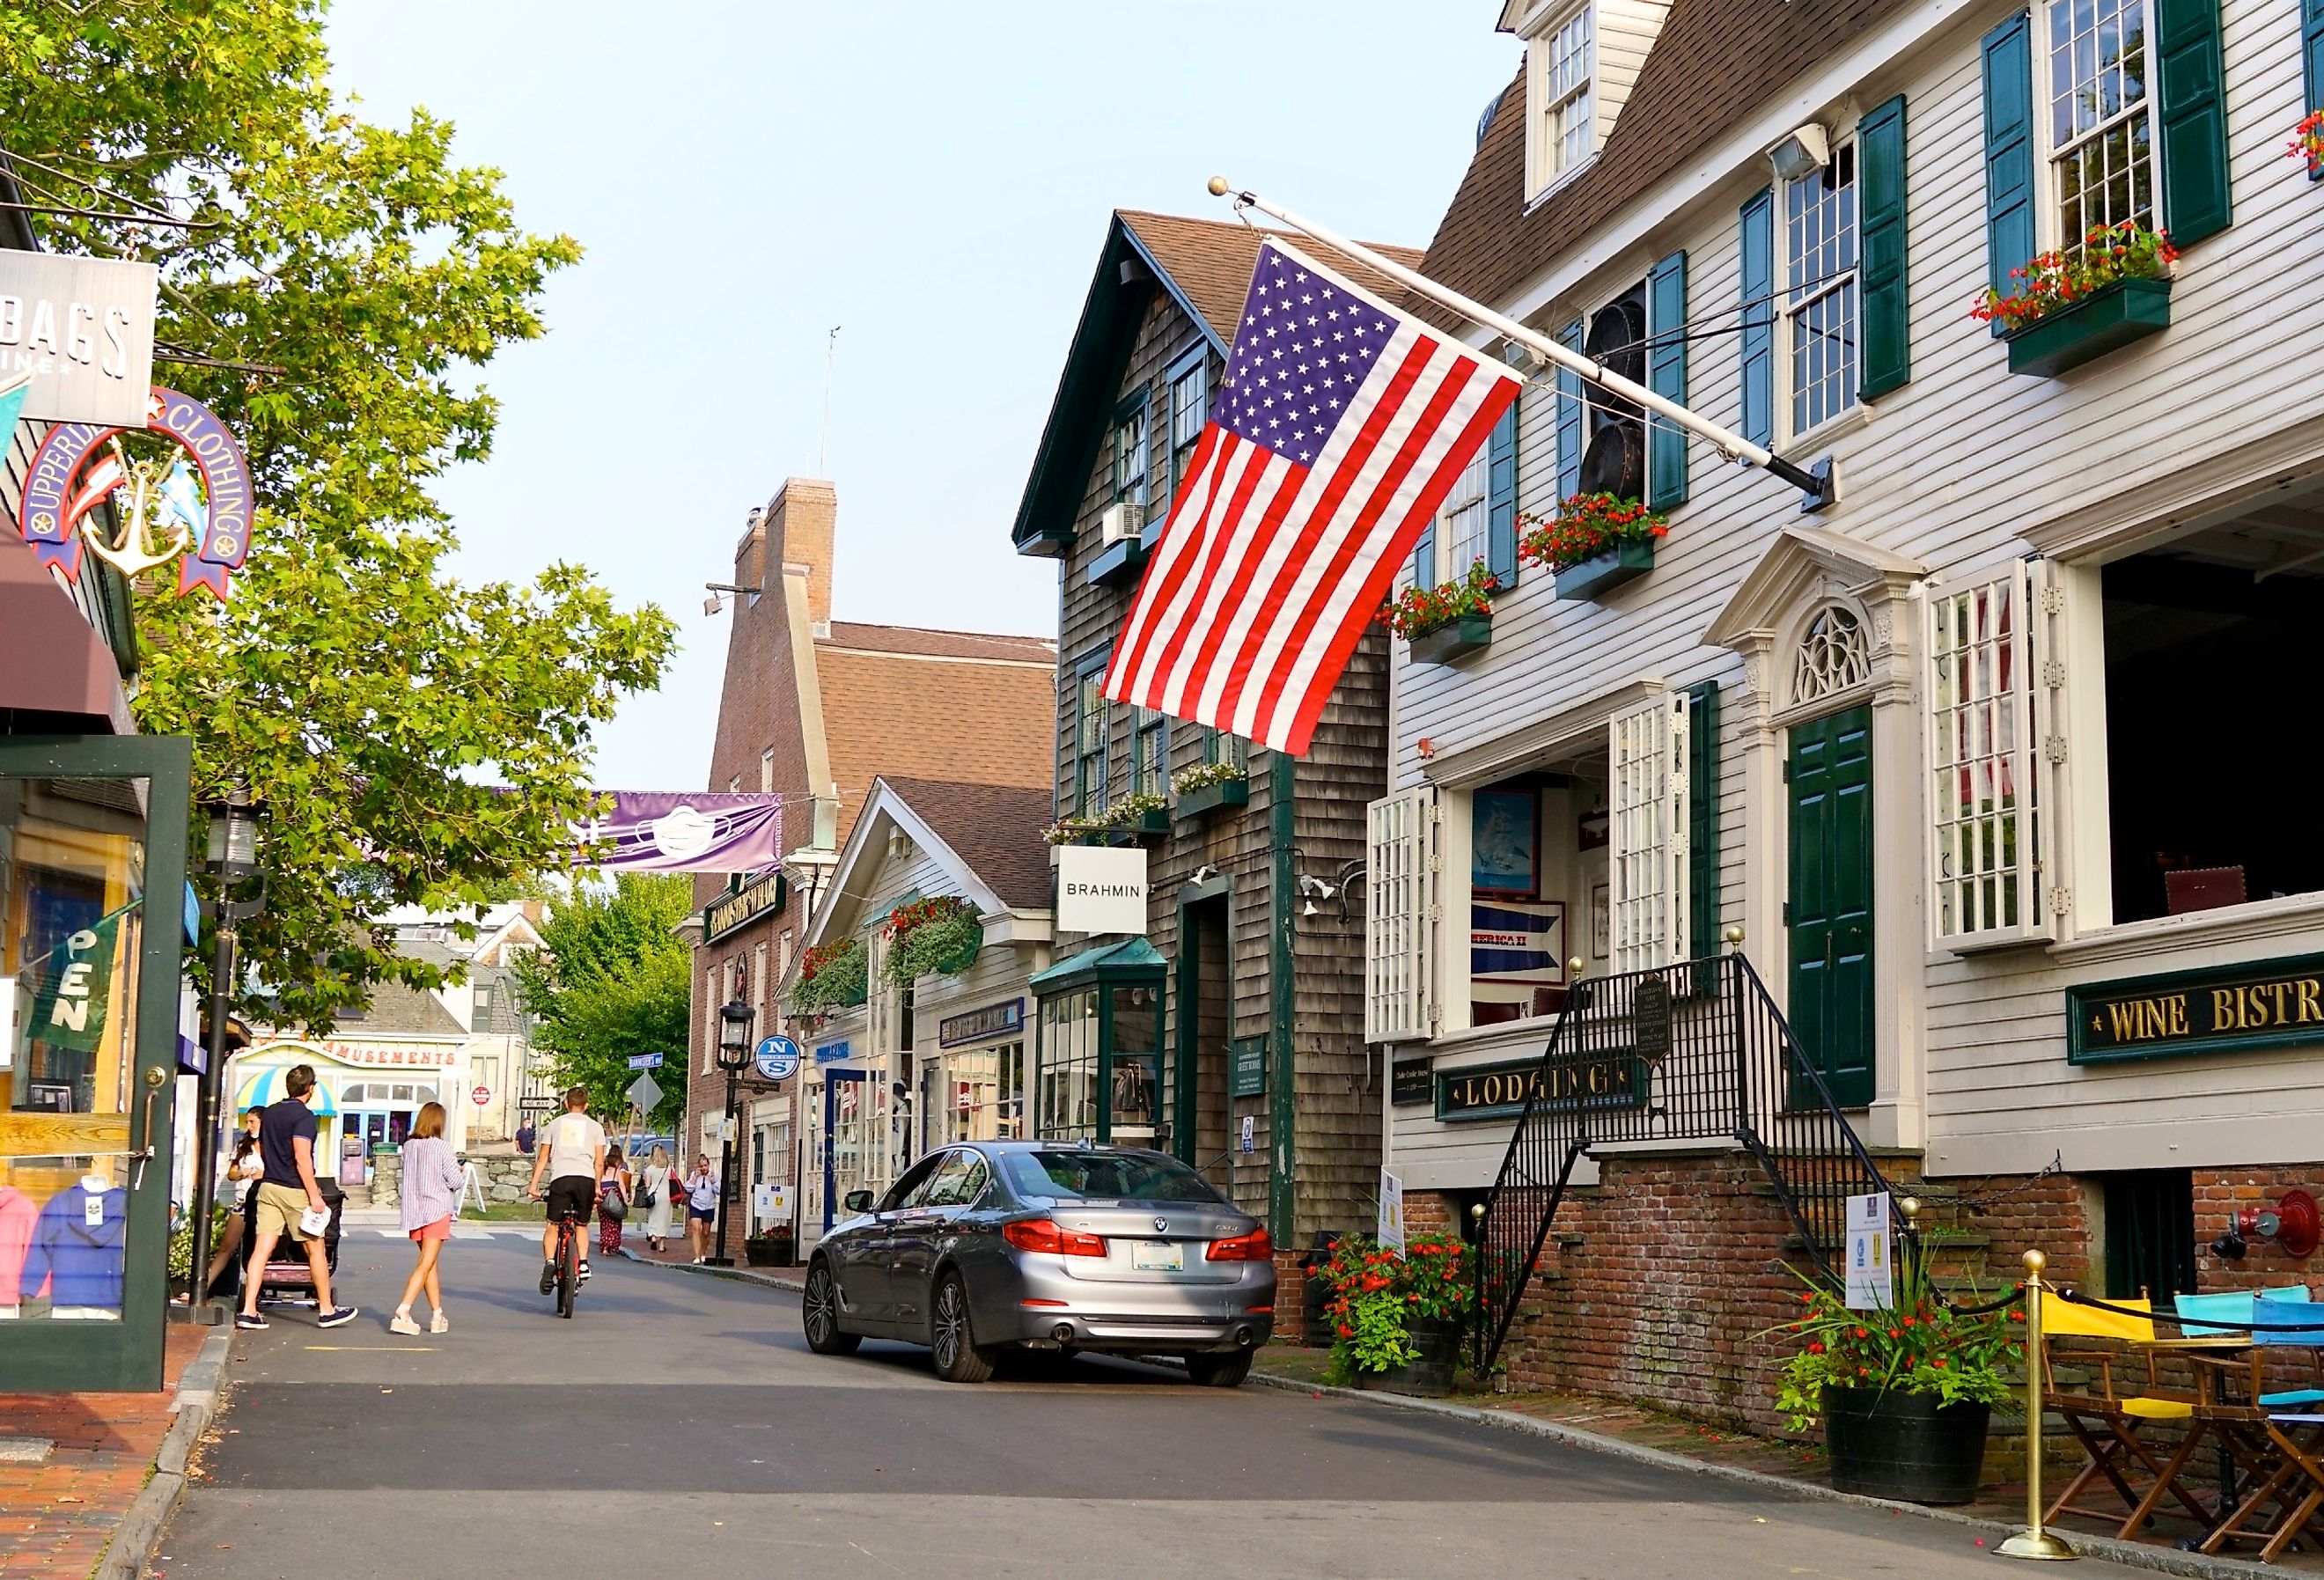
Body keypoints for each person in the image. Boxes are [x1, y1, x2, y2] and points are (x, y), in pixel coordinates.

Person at [236, 1064, 356, 1330]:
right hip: (294, 1189)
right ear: (310, 1089)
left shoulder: (270, 1114)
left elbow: (265, 1150)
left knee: (261, 1250)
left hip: (269, 1187)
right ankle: (326, 1310)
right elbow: (302, 1157)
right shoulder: (304, 1117)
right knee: (316, 1249)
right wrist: (315, 1195)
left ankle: (249, 1310)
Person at [391, 1101, 463, 1335]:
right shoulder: (442, 1147)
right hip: (436, 1209)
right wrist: (460, 1172)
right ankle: (404, 1309)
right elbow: (455, 1182)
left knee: (429, 1262)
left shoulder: (409, 1146)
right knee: (426, 1263)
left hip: (416, 1210)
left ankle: (437, 1314)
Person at [526, 1086, 605, 1293]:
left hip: (561, 1178)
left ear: (565, 1104)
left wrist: (533, 1186)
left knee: (553, 1225)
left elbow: (543, 1158)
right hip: (585, 1180)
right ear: (586, 1106)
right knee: (581, 1224)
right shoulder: (596, 1127)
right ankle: (584, 1263)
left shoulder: (554, 1125)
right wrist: (597, 1187)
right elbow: (599, 1163)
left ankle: (550, 1262)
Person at [199, 1133, 263, 1300]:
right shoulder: (243, 1147)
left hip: (264, 1202)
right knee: (227, 1246)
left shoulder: (272, 1144)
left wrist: (264, 1174)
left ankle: (254, 1296)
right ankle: (202, 1288)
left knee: (259, 1249)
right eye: (248, 1122)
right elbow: (232, 1174)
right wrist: (243, 1173)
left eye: (253, 1122)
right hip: (243, 1200)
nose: (249, 1126)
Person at [681, 1153, 719, 1264]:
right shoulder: (694, 1175)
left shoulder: (714, 1176)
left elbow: (718, 1190)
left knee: (706, 1232)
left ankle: (703, 1252)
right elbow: (688, 1188)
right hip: (696, 1205)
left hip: (708, 1206)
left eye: (705, 1166)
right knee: (696, 1229)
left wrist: (712, 1181)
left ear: (708, 1165)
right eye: (701, 1166)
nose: (703, 1168)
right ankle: (697, 1256)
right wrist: (694, 1178)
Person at [597, 1143, 632, 1258]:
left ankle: (604, 1246)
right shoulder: (617, 1171)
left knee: (604, 1223)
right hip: (613, 1197)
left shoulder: (602, 1171)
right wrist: (625, 1200)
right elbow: (622, 1186)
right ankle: (610, 1245)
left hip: (602, 1197)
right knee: (614, 1223)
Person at [638, 1145, 675, 1253]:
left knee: (653, 1217)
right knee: (665, 1219)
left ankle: (653, 1238)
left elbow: (647, 1184)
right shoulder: (670, 1168)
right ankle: (662, 1245)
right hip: (666, 1195)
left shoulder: (650, 1169)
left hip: (654, 1195)